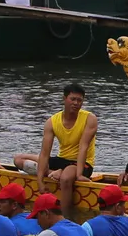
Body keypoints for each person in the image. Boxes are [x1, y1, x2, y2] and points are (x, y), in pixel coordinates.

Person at [20, 84, 97, 214]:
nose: (76, 103)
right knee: (19, 159)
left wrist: (78, 175)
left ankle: (65, 217)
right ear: (64, 99)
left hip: (82, 163)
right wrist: (40, 182)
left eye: (79, 100)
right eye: (72, 99)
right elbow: (45, 153)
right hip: (62, 159)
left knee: (66, 178)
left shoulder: (90, 119)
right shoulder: (52, 121)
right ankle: (54, 171)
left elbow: (83, 147)